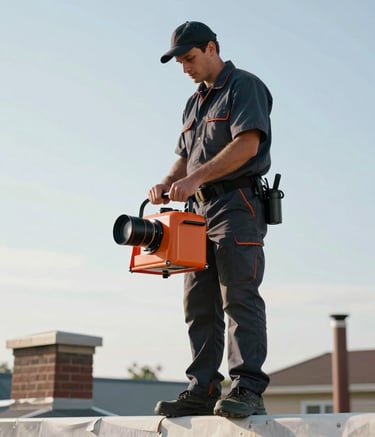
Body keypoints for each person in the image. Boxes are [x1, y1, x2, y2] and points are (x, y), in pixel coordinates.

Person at [148, 21, 273, 418]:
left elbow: (247, 145)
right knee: (198, 302)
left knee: (238, 294)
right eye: (180, 62)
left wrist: (195, 178)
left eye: (190, 58)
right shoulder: (194, 103)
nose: (185, 67)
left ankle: (248, 387)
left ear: (211, 48)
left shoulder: (244, 86)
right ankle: (202, 387)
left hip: (237, 205)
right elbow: (185, 158)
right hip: (196, 214)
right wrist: (167, 183)